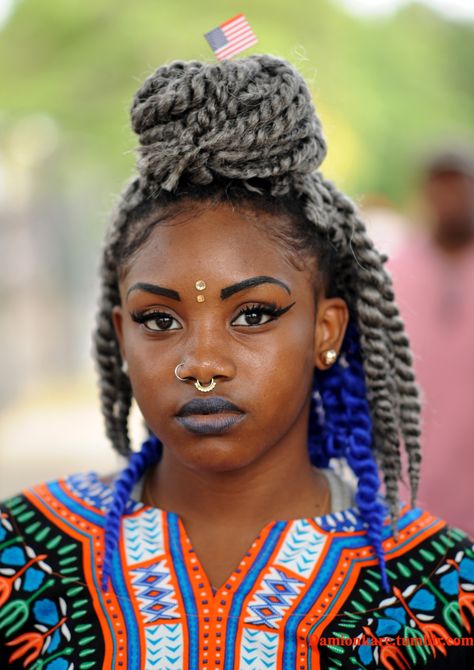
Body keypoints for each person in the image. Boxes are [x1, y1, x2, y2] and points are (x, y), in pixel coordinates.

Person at [0, 55, 472, 669]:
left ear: (325, 331)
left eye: (253, 315)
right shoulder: (21, 556)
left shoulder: (440, 594)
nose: (201, 365)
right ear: (121, 335)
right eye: (159, 320)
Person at [388, 145, 474, 536]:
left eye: (459, 187)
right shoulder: (397, 269)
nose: (449, 200)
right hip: (412, 484)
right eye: (439, 188)